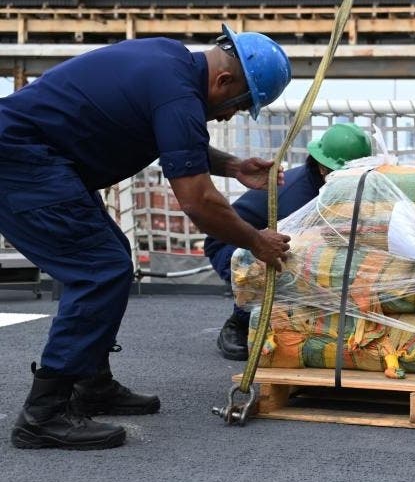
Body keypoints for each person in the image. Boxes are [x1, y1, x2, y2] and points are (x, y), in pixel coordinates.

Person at [1, 24, 294, 450]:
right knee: (100, 269)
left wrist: (231, 166)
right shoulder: (178, 94)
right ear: (224, 81)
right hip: (22, 161)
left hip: (36, 157)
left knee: (110, 257)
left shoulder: (168, 62)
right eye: (238, 105)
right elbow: (196, 201)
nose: (229, 115)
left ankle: (91, 382)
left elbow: (176, 139)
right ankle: (43, 414)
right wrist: (255, 241)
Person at [206, 122, 373, 360]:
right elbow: (296, 248)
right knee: (276, 263)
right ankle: (240, 321)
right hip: (231, 244)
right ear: (322, 167)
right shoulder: (298, 196)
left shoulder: (331, 188)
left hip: (265, 239)